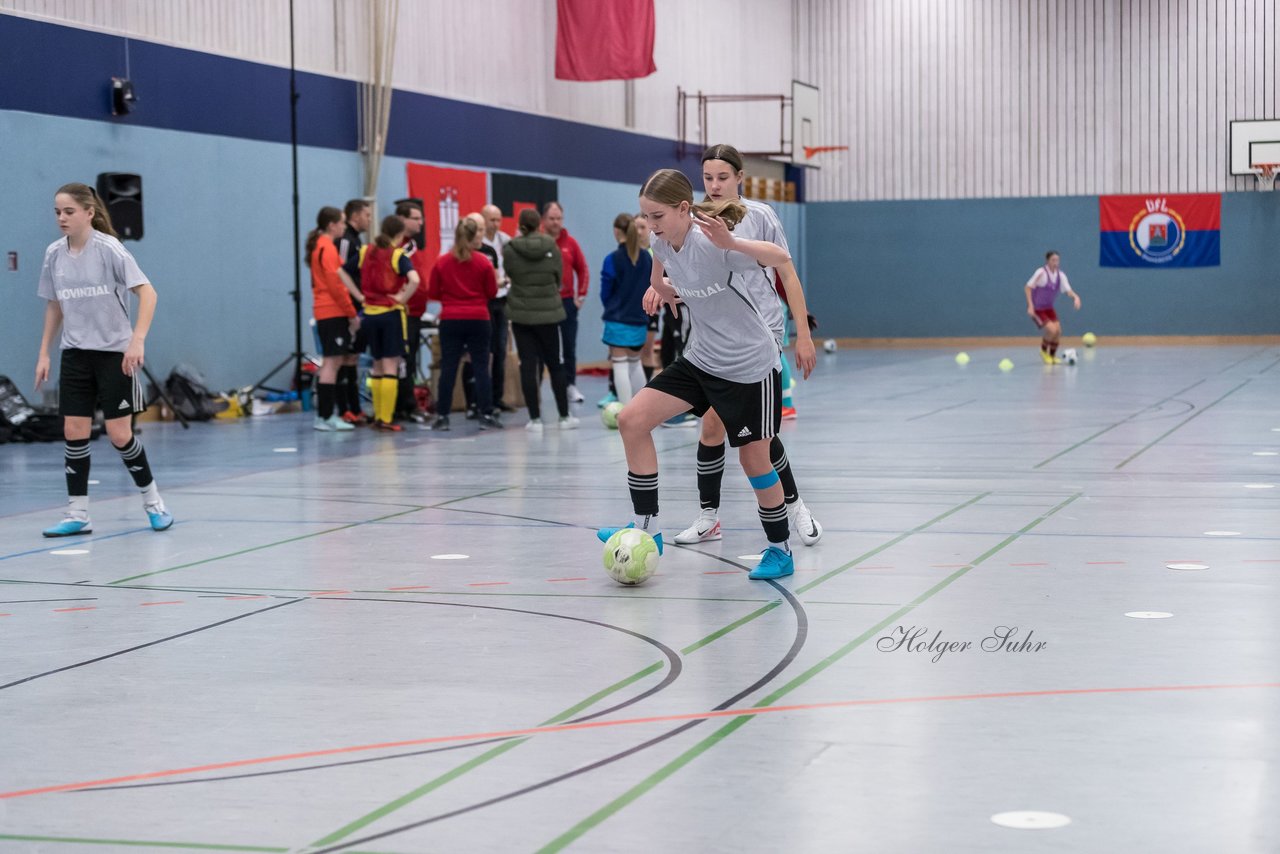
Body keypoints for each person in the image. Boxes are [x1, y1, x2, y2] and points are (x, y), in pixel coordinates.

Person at [598, 168, 795, 581]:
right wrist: (661, 287)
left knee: (754, 458)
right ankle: (647, 530)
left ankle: (780, 548)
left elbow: (781, 259)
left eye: (658, 216)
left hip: (748, 365)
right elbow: (661, 264)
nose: (650, 226)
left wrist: (733, 241)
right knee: (632, 420)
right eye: (646, 217)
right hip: (702, 358)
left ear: (684, 208)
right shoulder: (661, 240)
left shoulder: (715, 245)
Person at [673, 143, 823, 547]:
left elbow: (787, 275)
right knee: (711, 424)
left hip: (761, 333)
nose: (715, 184)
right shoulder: (695, 219)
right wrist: (663, 288)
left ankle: (795, 505)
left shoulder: (760, 216)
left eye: (723, 177)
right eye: (708, 178)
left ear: (740, 177)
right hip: (713, 338)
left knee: (760, 437)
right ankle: (708, 516)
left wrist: (803, 336)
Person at [35, 182, 174, 537]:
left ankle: (153, 502)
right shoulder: (54, 254)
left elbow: (149, 293)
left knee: (119, 435)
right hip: (76, 354)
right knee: (73, 431)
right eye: (57, 212)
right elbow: (54, 305)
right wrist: (44, 353)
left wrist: (136, 340)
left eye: (68, 211)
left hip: (115, 355)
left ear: (89, 213)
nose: (62, 218)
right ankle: (78, 514)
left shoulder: (110, 249)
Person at [503, 208, 577, 432]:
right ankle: (564, 416)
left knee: (528, 364)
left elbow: (510, 274)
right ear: (540, 224)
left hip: (521, 314)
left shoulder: (510, 248)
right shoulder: (551, 246)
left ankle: (534, 419)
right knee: (555, 364)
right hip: (549, 313)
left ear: (520, 225)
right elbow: (558, 276)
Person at [427, 217, 501, 432]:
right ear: (474, 236)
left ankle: (442, 416)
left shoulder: (441, 262)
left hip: (450, 319)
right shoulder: (483, 262)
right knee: (480, 367)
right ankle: (485, 413)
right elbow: (492, 292)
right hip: (478, 318)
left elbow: (433, 293)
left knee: (449, 367)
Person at [357, 215, 419, 432]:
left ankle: (377, 416)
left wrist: (359, 296)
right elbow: (415, 280)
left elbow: (342, 272)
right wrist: (402, 298)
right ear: (400, 235)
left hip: (369, 315)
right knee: (391, 365)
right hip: (390, 314)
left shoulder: (366, 251)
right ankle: (386, 417)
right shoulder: (397, 255)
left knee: (377, 364)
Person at [307, 205, 359, 431]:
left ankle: (326, 416)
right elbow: (336, 285)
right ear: (331, 225)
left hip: (328, 310)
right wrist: (351, 313)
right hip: (332, 311)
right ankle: (326, 416)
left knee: (334, 362)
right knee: (331, 362)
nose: (344, 226)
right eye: (342, 222)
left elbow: (341, 278)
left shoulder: (324, 247)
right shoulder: (326, 249)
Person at [599, 213, 653, 403]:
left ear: (616, 231)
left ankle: (625, 410)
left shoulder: (612, 259)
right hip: (639, 320)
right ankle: (642, 409)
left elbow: (605, 293)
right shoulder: (647, 258)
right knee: (635, 363)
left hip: (618, 320)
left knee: (620, 366)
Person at [541, 201, 589, 403]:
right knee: (545, 348)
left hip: (568, 302)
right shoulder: (538, 242)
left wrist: (580, 296)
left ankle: (570, 386)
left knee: (569, 347)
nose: (555, 222)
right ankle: (542, 390)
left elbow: (583, 269)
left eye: (558, 218)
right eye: (551, 218)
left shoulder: (571, 243)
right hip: (544, 304)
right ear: (544, 219)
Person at [336, 199, 372, 423]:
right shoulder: (345, 241)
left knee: (353, 359)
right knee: (343, 359)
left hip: (358, 309)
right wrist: (349, 308)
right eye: (367, 215)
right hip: (346, 310)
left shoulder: (357, 241)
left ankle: (356, 408)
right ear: (355, 216)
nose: (369, 219)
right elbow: (339, 274)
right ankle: (343, 410)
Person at [394, 201, 430, 423]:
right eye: (415, 218)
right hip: (404, 313)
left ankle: (408, 402)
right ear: (402, 220)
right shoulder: (400, 248)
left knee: (411, 358)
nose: (420, 222)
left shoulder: (413, 245)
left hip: (416, 313)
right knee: (402, 359)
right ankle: (403, 405)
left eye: (421, 218)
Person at [481, 204, 514, 412]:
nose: (495, 224)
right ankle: (481, 400)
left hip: (502, 300)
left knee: (501, 349)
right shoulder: (478, 243)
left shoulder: (505, 241)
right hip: (485, 300)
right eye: (491, 220)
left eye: (498, 220)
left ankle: (497, 396)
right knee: (485, 351)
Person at [1025, 251, 1082, 363]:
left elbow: (1068, 290)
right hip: (1037, 308)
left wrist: (1075, 297)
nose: (1056, 263)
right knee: (1051, 330)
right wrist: (1030, 306)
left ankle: (1052, 356)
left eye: (1057, 260)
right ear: (1047, 261)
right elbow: (1028, 287)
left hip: (1049, 308)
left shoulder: (1060, 275)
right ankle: (1043, 352)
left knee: (1058, 331)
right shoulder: (1041, 273)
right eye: (1053, 260)